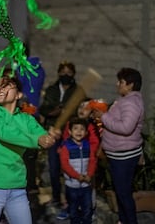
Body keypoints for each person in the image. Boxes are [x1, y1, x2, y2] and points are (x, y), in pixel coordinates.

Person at [0, 75, 61, 224]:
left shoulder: (26, 119)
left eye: (6, 86)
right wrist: (37, 139)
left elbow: (40, 135)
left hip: (17, 189)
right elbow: (6, 133)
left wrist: (48, 137)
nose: (0, 89)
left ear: (19, 94)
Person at [92, 67, 144, 224]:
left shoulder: (131, 103)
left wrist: (104, 116)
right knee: (121, 191)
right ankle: (123, 220)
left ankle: (130, 221)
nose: (117, 84)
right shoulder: (127, 100)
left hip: (125, 155)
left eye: (121, 82)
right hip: (119, 154)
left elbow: (126, 128)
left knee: (123, 193)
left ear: (130, 85)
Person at [39, 61, 85, 209]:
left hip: (69, 135)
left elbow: (81, 112)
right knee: (54, 167)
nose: (66, 75)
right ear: (59, 73)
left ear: (73, 74)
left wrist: (69, 114)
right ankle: (56, 197)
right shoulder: (52, 90)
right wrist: (56, 111)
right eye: (63, 72)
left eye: (69, 72)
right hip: (53, 133)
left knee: (70, 167)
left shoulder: (78, 91)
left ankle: (72, 199)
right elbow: (44, 109)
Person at [17, 52, 46, 194]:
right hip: (34, 115)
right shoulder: (40, 71)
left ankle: (25, 183)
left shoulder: (21, 71)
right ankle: (31, 183)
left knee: (24, 154)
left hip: (24, 117)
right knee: (31, 154)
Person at [59, 117, 97, 224]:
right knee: (73, 211)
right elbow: (65, 165)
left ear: (86, 132)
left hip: (86, 185)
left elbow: (92, 161)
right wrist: (77, 176)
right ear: (70, 131)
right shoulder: (66, 147)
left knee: (87, 210)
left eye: (82, 129)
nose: (79, 131)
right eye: (76, 129)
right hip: (72, 186)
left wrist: (89, 175)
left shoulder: (87, 146)